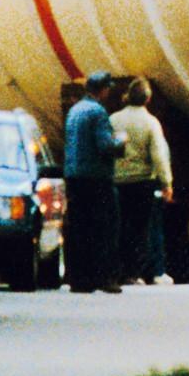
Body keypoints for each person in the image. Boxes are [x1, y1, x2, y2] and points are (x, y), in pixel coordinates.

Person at [63, 71, 125, 293]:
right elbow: (105, 146)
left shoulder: (74, 110)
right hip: (96, 178)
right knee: (104, 227)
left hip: (74, 176)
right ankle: (105, 278)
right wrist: (120, 141)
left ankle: (79, 279)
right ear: (104, 89)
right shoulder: (98, 112)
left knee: (79, 228)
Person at [112, 78, 174, 284]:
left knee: (122, 226)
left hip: (118, 181)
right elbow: (159, 154)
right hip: (142, 182)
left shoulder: (114, 120)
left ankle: (122, 271)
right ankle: (139, 272)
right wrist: (167, 183)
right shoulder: (151, 123)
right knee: (142, 228)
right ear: (148, 99)